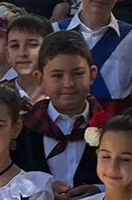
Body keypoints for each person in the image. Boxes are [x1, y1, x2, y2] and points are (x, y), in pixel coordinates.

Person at [16, 29, 107, 191]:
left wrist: (100, 191)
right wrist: (40, 192)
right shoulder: (22, 131)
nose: (69, 84)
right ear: (40, 79)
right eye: (57, 76)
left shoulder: (111, 129)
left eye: (78, 73)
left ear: (92, 74)